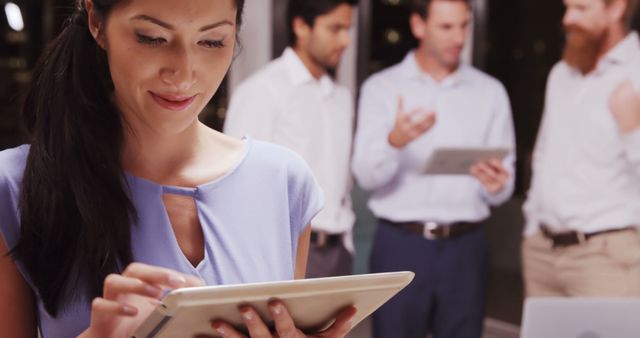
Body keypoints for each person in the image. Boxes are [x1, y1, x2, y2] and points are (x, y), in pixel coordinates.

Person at [0, 0, 357, 337]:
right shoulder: (17, 187)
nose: (183, 72)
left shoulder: (285, 183)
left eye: (212, 41)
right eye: (152, 38)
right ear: (97, 22)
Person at [351, 0, 516, 336]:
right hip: (400, 245)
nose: (459, 37)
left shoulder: (491, 92)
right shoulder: (382, 89)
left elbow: (504, 187)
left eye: (464, 25)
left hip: (466, 249)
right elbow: (365, 176)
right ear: (418, 25)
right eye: (446, 27)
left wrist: (497, 185)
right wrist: (394, 142)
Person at [224, 0, 358, 278]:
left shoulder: (341, 98)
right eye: (335, 28)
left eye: (348, 29)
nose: (345, 40)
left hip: (338, 254)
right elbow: (234, 185)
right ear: (301, 26)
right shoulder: (262, 90)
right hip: (283, 255)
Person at [522, 0, 640, 297]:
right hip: (542, 253)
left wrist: (633, 129)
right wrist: (531, 228)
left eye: (581, 8)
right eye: (567, 7)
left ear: (616, 9)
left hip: (606, 260)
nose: (568, 18)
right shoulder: (561, 73)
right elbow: (544, 154)